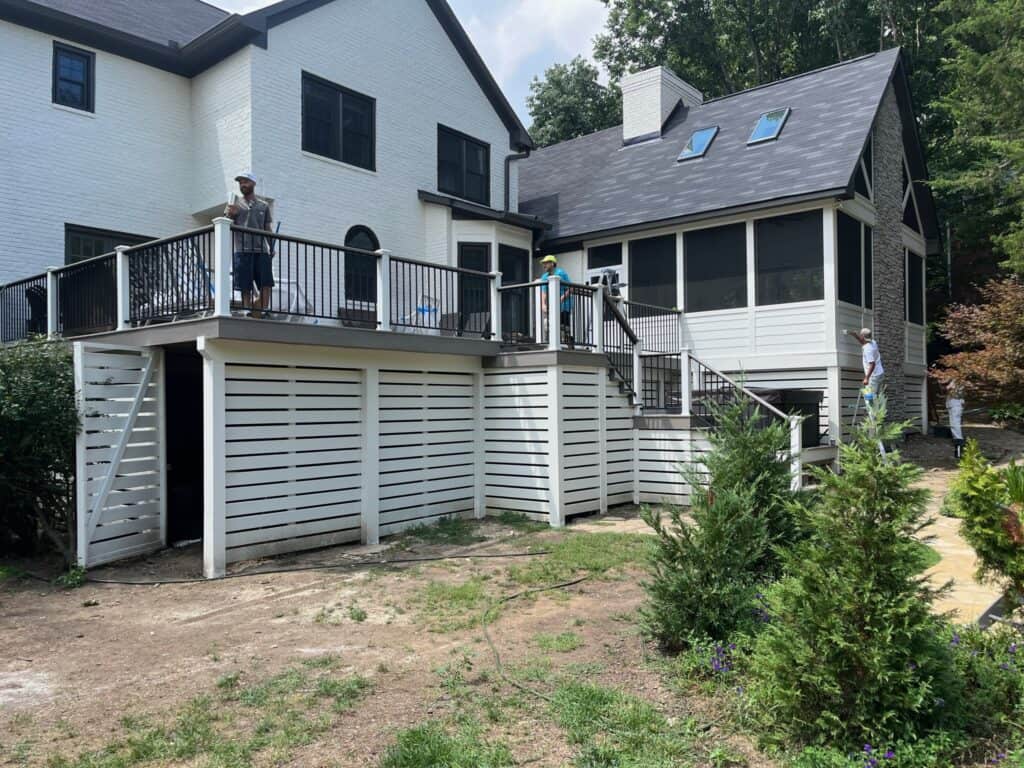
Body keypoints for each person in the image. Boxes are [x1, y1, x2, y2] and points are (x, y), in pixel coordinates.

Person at [226, 172, 274, 318]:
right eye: (240, 182)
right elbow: (226, 224)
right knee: (244, 283)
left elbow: (267, 228)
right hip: (242, 249)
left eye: (245, 181)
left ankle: (265, 309)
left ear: (253, 183)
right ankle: (246, 310)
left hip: (261, 250)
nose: (242, 185)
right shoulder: (235, 204)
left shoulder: (263, 206)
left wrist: (272, 246)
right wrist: (230, 215)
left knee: (265, 282)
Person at [540, 255, 573, 348]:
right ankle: (552, 343)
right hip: (552, 305)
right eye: (543, 263)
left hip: (564, 305)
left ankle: (567, 345)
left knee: (564, 327)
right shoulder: (544, 276)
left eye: (546, 263)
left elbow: (571, 288)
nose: (544, 265)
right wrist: (543, 304)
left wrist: (562, 298)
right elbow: (544, 291)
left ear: (552, 263)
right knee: (548, 325)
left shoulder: (560, 273)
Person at [850, 327, 885, 407]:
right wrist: (856, 336)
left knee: (869, 399)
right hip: (880, 373)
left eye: (860, 335)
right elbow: (863, 342)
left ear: (862, 336)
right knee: (876, 398)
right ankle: (877, 415)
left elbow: (872, 364)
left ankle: (873, 418)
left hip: (873, 377)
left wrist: (866, 378)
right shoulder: (873, 342)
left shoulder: (867, 349)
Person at [946, 379, 965, 458]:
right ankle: (958, 449)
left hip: (955, 405)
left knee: (955, 426)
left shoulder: (958, 381)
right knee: (954, 426)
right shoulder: (956, 380)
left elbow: (948, 388)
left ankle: (959, 451)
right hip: (953, 405)